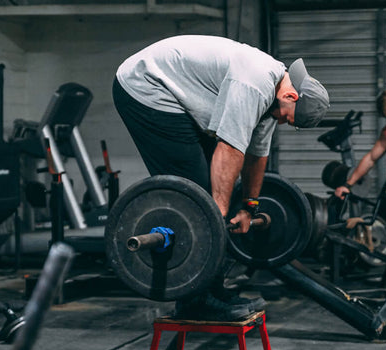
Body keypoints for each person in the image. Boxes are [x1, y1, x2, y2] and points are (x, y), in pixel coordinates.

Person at [113, 34, 329, 320]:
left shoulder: (271, 100)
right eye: (287, 118)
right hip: (145, 86)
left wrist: (249, 207)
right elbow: (229, 149)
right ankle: (195, 300)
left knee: (209, 193)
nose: (281, 121)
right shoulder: (254, 82)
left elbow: (255, 156)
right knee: (196, 195)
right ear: (291, 96)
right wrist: (215, 216)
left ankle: (212, 290)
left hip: (176, 96)